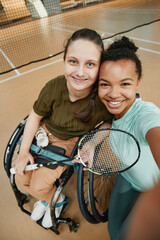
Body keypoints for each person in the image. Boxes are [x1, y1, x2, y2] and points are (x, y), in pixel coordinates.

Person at [15, 28, 112, 228]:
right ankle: (47, 198)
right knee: (20, 180)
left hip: (67, 143)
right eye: (73, 61)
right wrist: (24, 151)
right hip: (43, 133)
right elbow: (34, 116)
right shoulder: (53, 87)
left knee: (38, 186)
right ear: (64, 60)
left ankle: (57, 200)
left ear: (100, 67)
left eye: (90, 64)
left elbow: (109, 124)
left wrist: (93, 143)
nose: (80, 72)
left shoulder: (101, 100)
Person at [98, 36, 160, 240]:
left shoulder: (146, 115)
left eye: (124, 84)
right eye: (105, 84)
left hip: (151, 186)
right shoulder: (111, 110)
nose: (113, 94)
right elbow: (111, 125)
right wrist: (91, 144)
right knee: (113, 231)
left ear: (138, 82)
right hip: (127, 175)